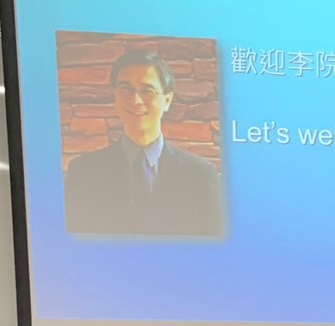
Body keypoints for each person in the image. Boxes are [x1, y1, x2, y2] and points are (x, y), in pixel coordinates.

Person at [64, 48, 226, 237]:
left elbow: (215, 247)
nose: (135, 100)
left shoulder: (200, 176)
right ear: (115, 95)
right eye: (126, 89)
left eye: (147, 91)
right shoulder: (83, 172)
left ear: (167, 100)